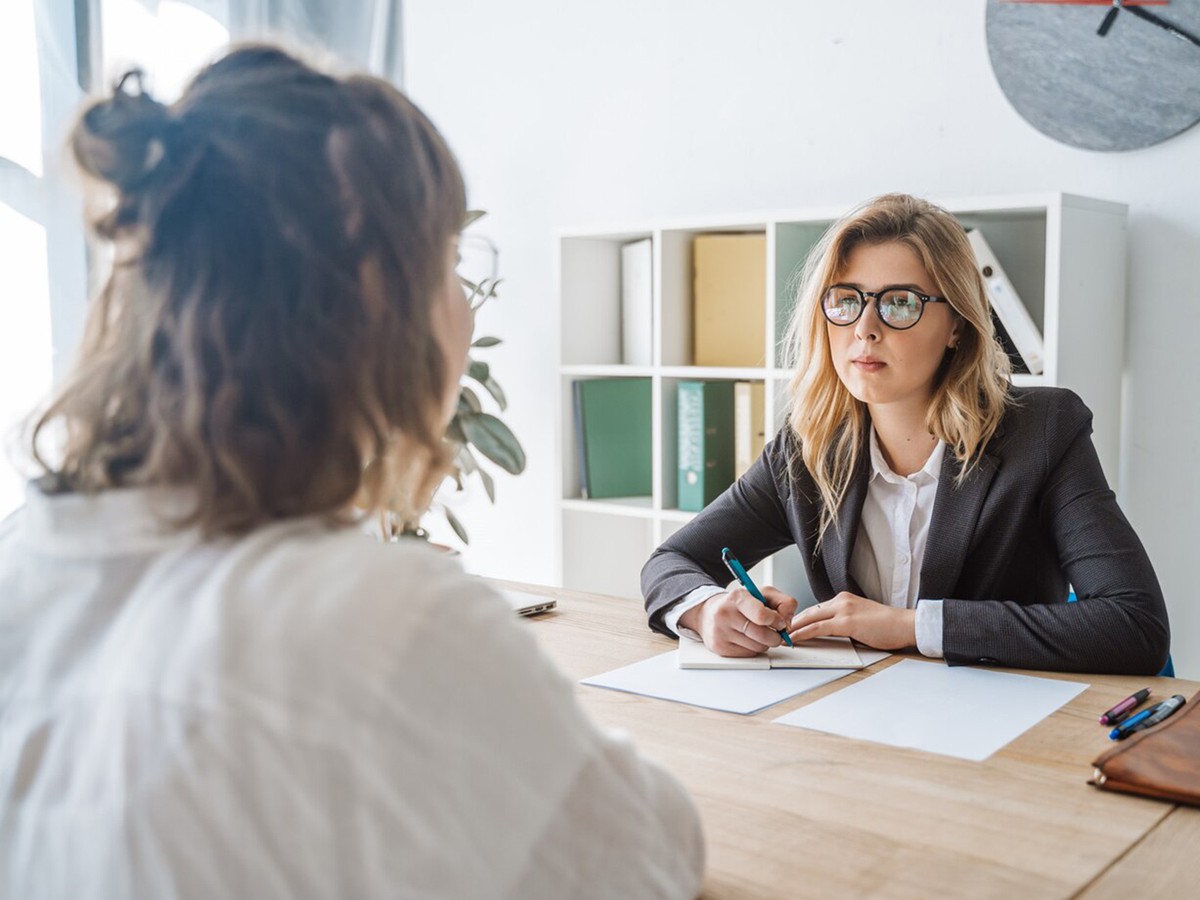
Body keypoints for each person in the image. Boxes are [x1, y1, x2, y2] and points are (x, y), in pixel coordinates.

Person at [0, 44, 703, 899]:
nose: (464, 306)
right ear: (375, 302)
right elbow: (647, 856)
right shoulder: (381, 618)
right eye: (447, 261)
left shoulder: (23, 555)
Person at [642, 193, 1169, 675]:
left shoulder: (1044, 432)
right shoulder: (805, 449)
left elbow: (1134, 625)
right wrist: (707, 610)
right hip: (859, 720)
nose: (864, 328)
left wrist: (908, 627)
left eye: (899, 303)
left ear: (958, 324)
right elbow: (672, 562)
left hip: (999, 730)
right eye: (846, 300)